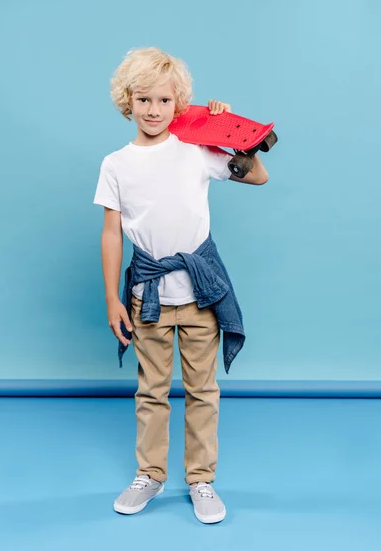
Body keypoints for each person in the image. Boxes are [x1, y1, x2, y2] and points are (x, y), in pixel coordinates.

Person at [93, 47, 269, 524]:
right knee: (150, 390)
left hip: (199, 294)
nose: (153, 110)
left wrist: (228, 132)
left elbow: (258, 175)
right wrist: (113, 298)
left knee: (201, 389)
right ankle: (149, 474)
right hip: (146, 295)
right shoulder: (116, 164)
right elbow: (112, 234)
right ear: (127, 101)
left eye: (164, 100)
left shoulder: (196, 149)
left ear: (179, 103)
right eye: (144, 99)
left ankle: (201, 479)